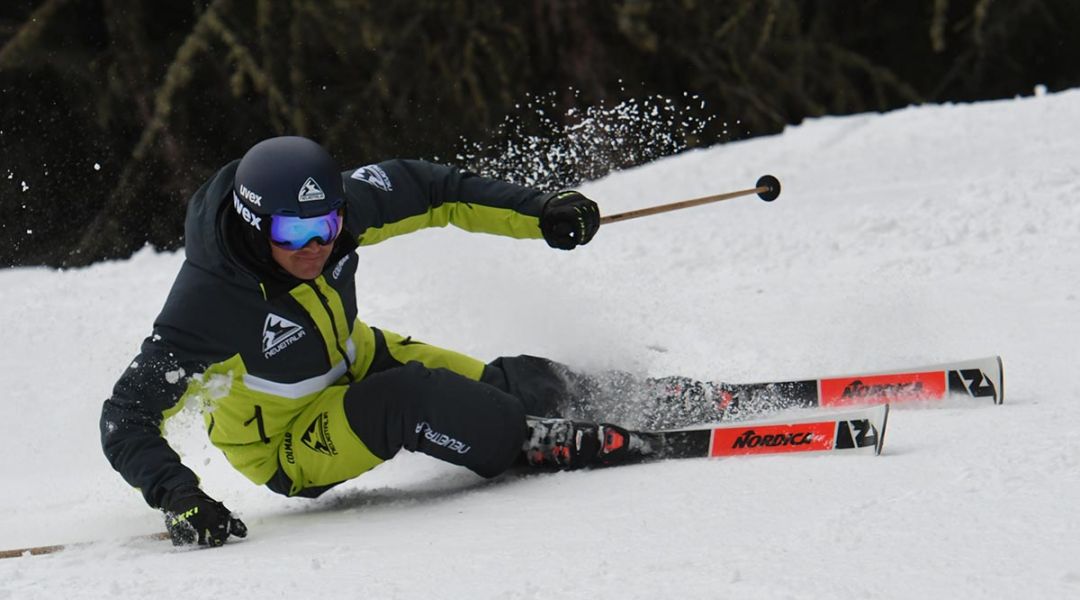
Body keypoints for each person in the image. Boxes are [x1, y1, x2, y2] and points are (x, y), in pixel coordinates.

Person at [100, 136, 725, 548]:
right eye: (294, 232)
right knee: (413, 400)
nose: (315, 246)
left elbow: (434, 189)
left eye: (326, 225)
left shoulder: (335, 220)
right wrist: (178, 495)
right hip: (288, 444)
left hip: (355, 357)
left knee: (499, 387)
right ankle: (533, 438)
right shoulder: (209, 303)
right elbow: (125, 417)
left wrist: (541, 211)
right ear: (255, 222)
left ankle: (623, 398)